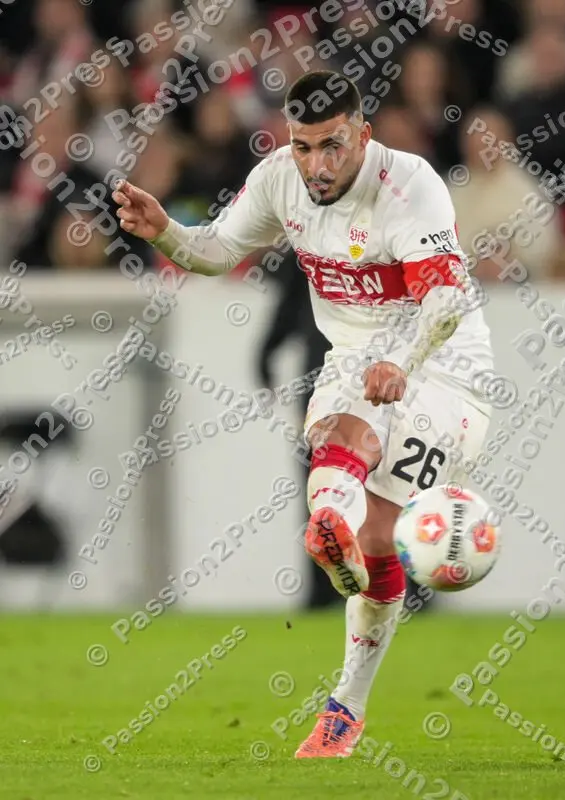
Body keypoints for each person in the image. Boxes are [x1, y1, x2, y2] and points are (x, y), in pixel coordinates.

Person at [112, 70, 494, 758]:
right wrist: (165, 230)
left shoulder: (410, 186)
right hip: (353, 356)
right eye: (304, 146)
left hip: (443, 367)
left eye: (332, 147)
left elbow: (442, 301)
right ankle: (332, 533)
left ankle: (347, 700)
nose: (317, 165)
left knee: (380, 536)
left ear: (363, 136)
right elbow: (220, 249)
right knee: (332, 479)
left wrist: (401, 365)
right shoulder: (279, 178)